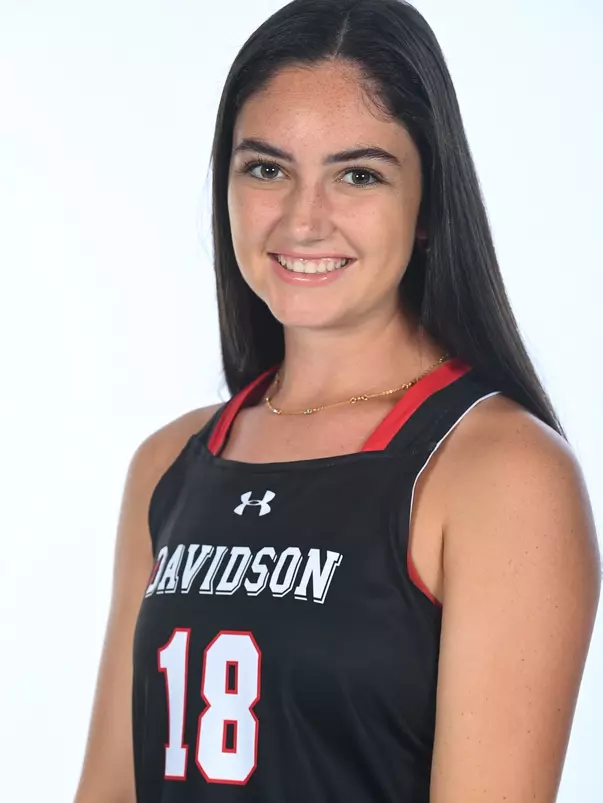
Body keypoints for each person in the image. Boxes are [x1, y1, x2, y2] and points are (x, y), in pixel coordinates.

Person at [73, 1, 601, 801]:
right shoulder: (168, 464)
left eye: (358, 175)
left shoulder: (498, 472)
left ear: (428, 207)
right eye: (266, 169)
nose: (303, 219)